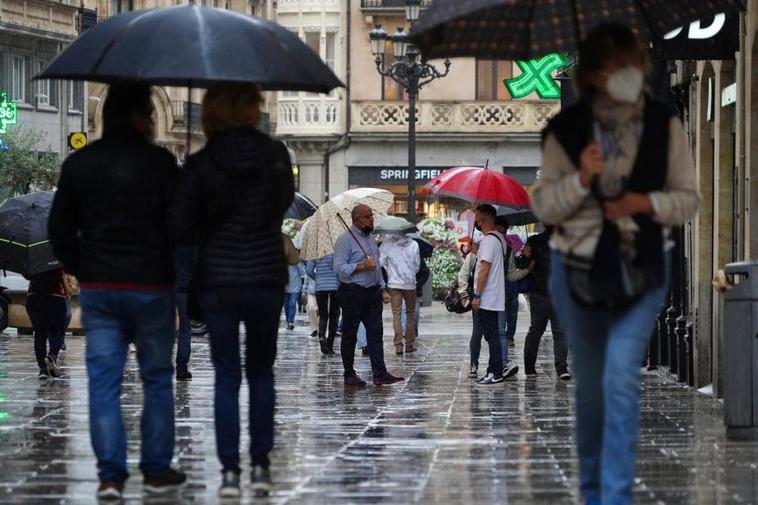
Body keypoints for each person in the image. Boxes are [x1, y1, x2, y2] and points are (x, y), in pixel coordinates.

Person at [532, 24, 699, 505]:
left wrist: (641, 204)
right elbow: (546, 207)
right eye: (609, 66)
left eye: (627, 63)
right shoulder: (565, 131)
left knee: (620, 379)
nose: (620, 74)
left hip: (641, 268)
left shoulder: (663, 124)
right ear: (590, 75)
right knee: (591, 392)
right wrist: (582, 181)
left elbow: (687, 202)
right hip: (576, 270)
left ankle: (616, 497)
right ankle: (592, 493)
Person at [48, 82, 185, 501]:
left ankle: (110, 475)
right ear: (139, 117)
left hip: (101, 288)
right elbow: (182, 225)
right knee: (157, 379)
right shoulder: (162, 164)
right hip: (151, 286)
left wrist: (83, 265)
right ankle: (157, 468)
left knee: (104, 382)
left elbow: (59, 229)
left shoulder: (81, 164)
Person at [169, 82, 294, 498]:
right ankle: (259, 463)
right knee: (261, 372)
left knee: (226, 375)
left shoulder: (202, 162)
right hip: (264, 277)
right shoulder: (276, 157)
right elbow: (281, 205)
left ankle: (228, 470)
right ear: (251, 109)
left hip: (219, 279)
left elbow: (182, 226)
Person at [333, 204, 404, 387]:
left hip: (372, 293)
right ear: (357, 220)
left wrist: (383, 289)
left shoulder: (371, 240)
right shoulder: (345, 241)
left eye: (371, 215)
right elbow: (340, 269)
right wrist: (361, 266)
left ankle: (379, 373)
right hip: (352, 292)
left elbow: (378, 267)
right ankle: (349, 373)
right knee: (350, 334)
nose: (372, 219)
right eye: (367, 216)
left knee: (375, 333)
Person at [516, 229, 570, 380]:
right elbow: (520, 264)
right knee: (544, 331)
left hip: (552, 294)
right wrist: (525, 256)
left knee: (549, 331)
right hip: (542, 294)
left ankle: (553, 367)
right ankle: (557, 368)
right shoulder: (536, 241)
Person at [470, 204, 510, 385]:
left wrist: (477, 295)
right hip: (495, 295)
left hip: (487, 296)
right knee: (493, 334)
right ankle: (495, 370)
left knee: (491, 335)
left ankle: (494, 372)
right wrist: (476, 251)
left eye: (477, 217)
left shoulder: (488, 240)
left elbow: (484, 269)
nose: (475, 221)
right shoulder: (499, 239)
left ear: (483, 219)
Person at [494, 215, 530, 378]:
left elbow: (514, 268)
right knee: (506, 316)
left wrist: (523, 257)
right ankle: (506, 342)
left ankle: (509, 338)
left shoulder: (511, 243)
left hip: (509, 286)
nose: (503, 230)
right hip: (502, 287)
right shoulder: (498, 243)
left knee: (511, 313)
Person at [379, 234, 420, 355]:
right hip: (410, 284)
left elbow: (380, 263)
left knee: (396, 314)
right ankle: (409, 345)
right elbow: (417, 266)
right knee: (410, 314)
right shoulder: (414, 244)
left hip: (394, 283)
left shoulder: (386, 244)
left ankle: (398, 346)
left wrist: (390, 269)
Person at [25, 269, 67, 379]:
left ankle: (42, 369)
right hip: (56, 296)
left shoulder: (33, 256)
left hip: (34, 296)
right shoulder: (57, 255)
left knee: (39, 333)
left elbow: (27, 274)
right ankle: (52, 356)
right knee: (57, 331)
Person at [457, 234, 482, 378]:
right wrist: (464, 295)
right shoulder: (473, 255)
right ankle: (474, 364)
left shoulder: (498, 247)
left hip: (496, 298)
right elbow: (463, 275)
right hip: (477, 298)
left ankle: (499, 363)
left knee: (497, 333)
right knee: (478, 332)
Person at [305, 254, 340, 355]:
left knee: (323, 314)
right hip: (335, 286)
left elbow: (309, 270)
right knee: (334, 315)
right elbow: (340, 267)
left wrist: (318, 278)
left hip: (320, 286)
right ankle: (330, 344)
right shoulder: (336, 249)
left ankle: (321, 336)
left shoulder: (316, 249)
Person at [174, 246, 194, 381]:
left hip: (163, 288)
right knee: (185, 329)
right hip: (184, 289)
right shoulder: (193, 242)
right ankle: (181, 368)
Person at [284, 260, 304, 331]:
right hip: (284, 287)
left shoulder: (297, 261)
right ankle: (288, 321)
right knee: (286, 305)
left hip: (295, 287)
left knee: (292, 303)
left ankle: (290, 322)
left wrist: (298, 264)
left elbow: (303, 273)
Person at [303, 274, 319, 338]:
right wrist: (303, 291)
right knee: (311, 308)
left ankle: (321, 329)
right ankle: (314, 329)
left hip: (324, 290)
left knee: (323, 311)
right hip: (311, 292)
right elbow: (306, 280)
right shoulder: (310, 265)